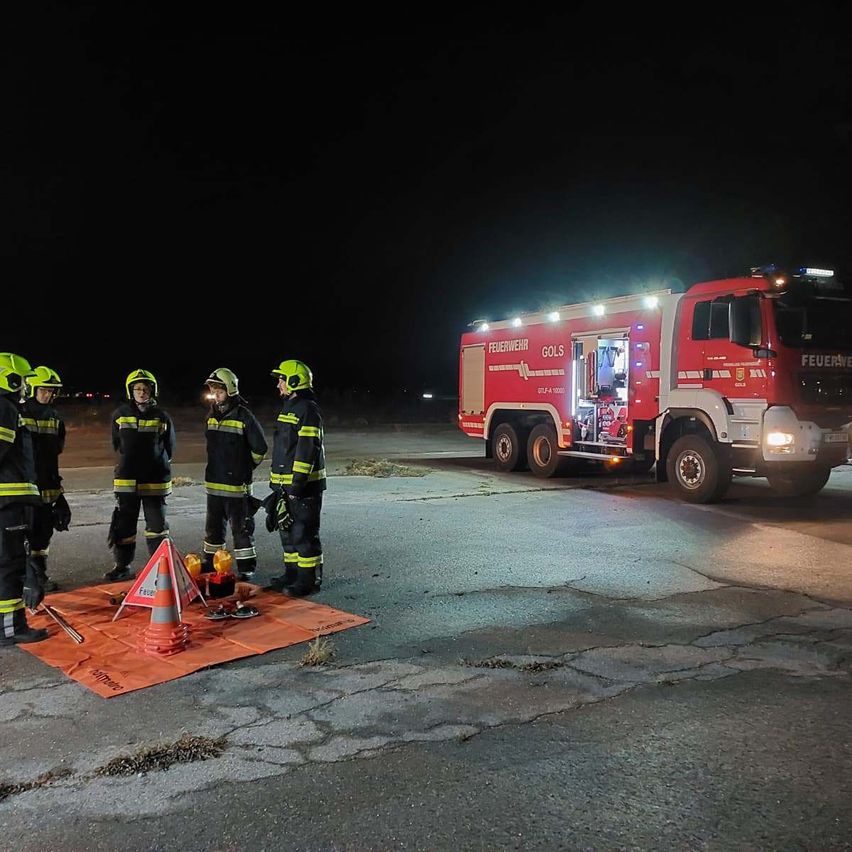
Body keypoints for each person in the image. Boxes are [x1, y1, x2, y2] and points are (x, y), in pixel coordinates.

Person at [104, 369, 175, 581]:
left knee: (157, 529)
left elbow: (169, 448)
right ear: (130, 391)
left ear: (152, 391)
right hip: (127, 480)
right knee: (124, 528)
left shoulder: (162, 417)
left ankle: (159, 569)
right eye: (137, 389)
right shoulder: (119, 415)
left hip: (155, 481)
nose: (142, 392)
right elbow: (117, 444)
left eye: (145, 389)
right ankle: (122, 566)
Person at [265, 359, 326, 597]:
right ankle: (292, 574)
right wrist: (278, 483)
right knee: (287, 533)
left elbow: (306, 449)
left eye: (281, 379)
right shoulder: (290, 407)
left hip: (303, 487)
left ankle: (308, 581)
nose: (278, 384)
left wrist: (296, 485)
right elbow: (284, 450)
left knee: (303, 533)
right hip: (286, 484)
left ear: (293, 381)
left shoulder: (307, 409)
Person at [200, 367, 268, 580]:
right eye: (212, 390)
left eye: (219, 390)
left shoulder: (244, 416)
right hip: (214, 486)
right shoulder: (211, 416)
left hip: (237, 488)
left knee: (241, 531)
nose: (215, 394)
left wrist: (244, 468)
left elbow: (260, 448)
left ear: (230, 390)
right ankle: (211, 564)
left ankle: (246, 568)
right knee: (213, 531)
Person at [0, 353, 48, 645]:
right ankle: (11, 629)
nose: (26, 388)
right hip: (9, 502)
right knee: (10, 565)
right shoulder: (4, 408)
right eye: (24, 381)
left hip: (9, 501)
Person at [21, 366, 71, 592]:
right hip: (24, 486)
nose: (48, 394)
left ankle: (39, 575)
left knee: (43, 534)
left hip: (48, 485)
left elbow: (55, 453)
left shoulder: (55, 418)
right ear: (32, 389)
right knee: (23, 535)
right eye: (43, 390)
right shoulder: (19, 415)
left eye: (51, 391)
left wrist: (58, 493)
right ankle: (25, 579)